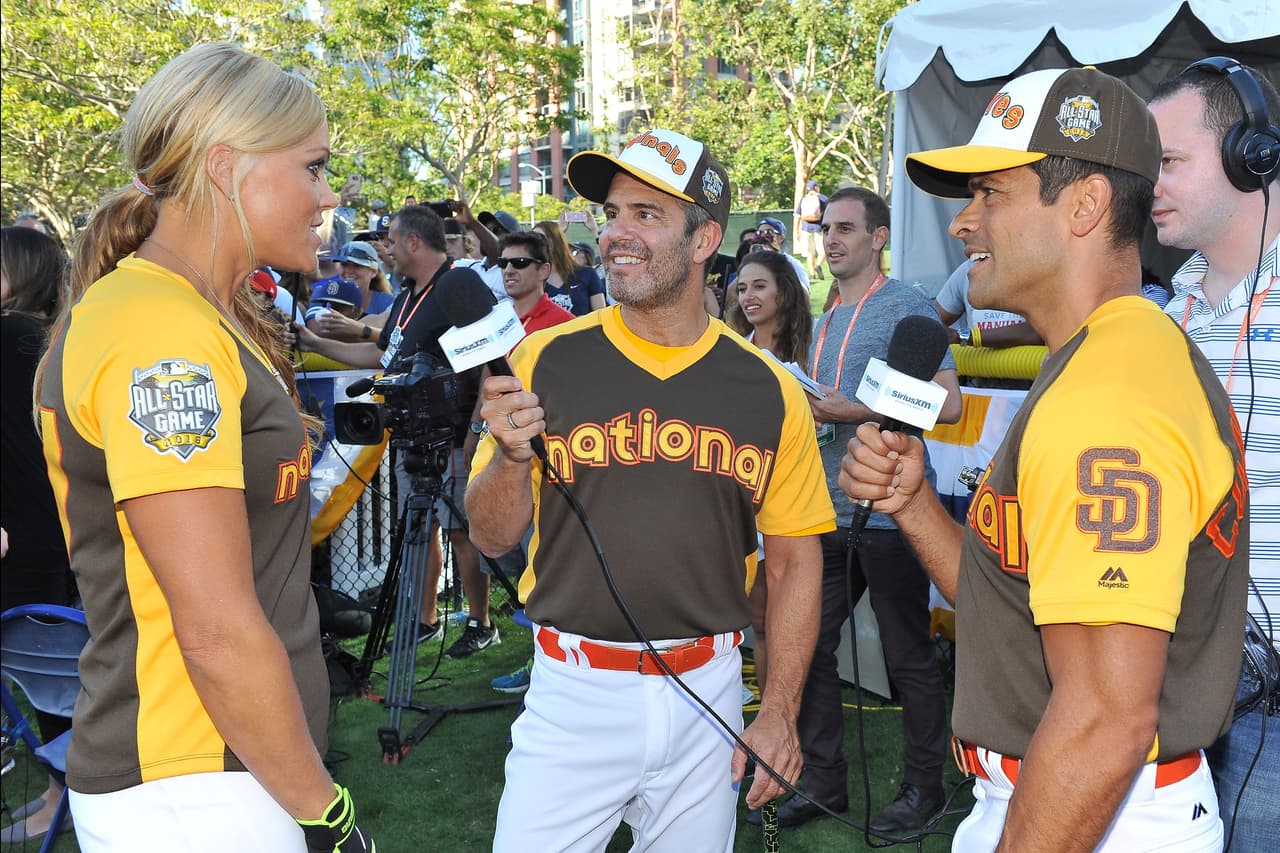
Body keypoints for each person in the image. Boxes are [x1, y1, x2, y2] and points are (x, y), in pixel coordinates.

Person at [844, 66, 1249, 851]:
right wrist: (916, 503)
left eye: (991, 193)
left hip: (1099, 804)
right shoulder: (1098, 357)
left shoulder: (1112, 386)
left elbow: (1105, 716)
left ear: (1088, 205)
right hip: (1082, 793)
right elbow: (1017, 602)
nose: (963, 223)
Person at [32, 43, 374, 851]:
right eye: (314, 167)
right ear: (226, 165)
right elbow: (215, 626)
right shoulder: (157, 328)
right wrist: (326, 811)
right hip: (196, 782)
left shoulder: (199, 315)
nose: (327, 196)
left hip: (229, 772)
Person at [467, 127, 835, 852]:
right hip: (574, 689)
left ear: (703, 241)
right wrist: (511, 457)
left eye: (645, 215)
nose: (616, 235)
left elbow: (795, 561)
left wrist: (781, 709)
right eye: (611, 214)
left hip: (711, 691)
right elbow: (489, 536)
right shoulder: (544, 356)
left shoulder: (767, 388)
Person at [756, 186, 962, 832]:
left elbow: (950, 405)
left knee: (908, 657)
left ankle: (924, 787)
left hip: (894, 512)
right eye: (826, 230)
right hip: (827, 510)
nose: (832, 239)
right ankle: (823, 779)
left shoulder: (907, 307)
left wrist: (854, 409)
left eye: (847, 228)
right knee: (807, 645)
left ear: (879, 238)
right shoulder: (826, 312)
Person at [1148, 57, 1280, 849]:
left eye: (1168, 161)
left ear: (1249, 154)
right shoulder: (1167, 320)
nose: (1148, 181)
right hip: (1192, 695)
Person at [297, 204, 497, 660]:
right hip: (414, 432)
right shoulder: (407, 295)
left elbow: (494, 356)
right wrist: (314, 343)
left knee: (462, 530)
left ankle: (480, 621)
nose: (384, 250)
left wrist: (476, 427)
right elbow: (380, 358)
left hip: (456, 430)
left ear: (412, 242)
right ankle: (425, 619)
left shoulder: (457, 285)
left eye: (389, 241)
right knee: (419, 528)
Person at [0, 225, 76, 845]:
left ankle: (60, 796)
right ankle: (57, 793)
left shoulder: (12, 337)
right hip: (49, 528)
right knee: (48, 668)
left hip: (24, 536)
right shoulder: (42, 337)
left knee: (45, 667)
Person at [723, 249, 814, 698]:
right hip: (743, 497)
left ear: (785, 291)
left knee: (790, 613)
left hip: (797, 498)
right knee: (760, 618)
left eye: (759, 286)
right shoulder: (729, 352)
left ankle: (790, 705)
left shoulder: (814, 351)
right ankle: (765, 699)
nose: (748, 297)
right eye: (742, 289)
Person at [933, 258, 1043, 348]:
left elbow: (1040, 331)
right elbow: (931, 321)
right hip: (979, 373)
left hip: (1038, 374)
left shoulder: (1040, 266)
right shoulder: (968, 269)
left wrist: (960, 336)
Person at [534, 219, 606, 315]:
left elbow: (600, 316)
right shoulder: (531, 278)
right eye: (532, 239)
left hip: (582, 329)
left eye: (540, 238)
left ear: (555, 241)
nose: (534, 244)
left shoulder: (587, 274)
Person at [754, 216, 810, 291]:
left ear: (781, 238)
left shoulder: (792, 264)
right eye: (759, 233)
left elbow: (804, 295)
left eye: (768, 232)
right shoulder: (751, 264)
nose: (762, 236)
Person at [795, 180, 828, 281]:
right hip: (819, 228)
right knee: (824, 250)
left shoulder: (804, 199)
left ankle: (812, 274)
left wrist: (797, 231)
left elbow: (797, 216)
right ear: (816, 188)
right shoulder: (823, 198)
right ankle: (818, 265)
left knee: (810, 252)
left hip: (806, 229)